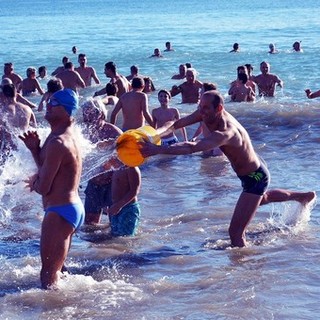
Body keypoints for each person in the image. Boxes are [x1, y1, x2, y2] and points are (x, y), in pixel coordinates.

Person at [140, 90, 316, 247]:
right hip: (256, 170)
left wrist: (158, 150)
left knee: (235, 233)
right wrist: (154, 134)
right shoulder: (206, 113)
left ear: (219, 108)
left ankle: (246, 274)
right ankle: (302, 197)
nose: (201, 111)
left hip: (255, 177)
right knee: (263, 198)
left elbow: (192, 147)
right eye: (200, 106)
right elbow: (176, 124)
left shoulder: (226, 132)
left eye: (206, 107)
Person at [19, 89, 85, 289]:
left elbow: (45, 187)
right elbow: (50, 170)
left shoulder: (58, 141)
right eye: (49, 100)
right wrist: (35, 150)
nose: (47, 105)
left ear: (66, 111)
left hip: (60, 211)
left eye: (54, 103)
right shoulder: (57, 136)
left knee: (48, 277)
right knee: (58, 271)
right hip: (68, 208)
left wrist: (35, 183)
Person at [81, 100, 123, 225]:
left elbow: (126, 160)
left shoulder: (114, 133)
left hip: (112, 184)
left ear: (100, 113)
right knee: (90, 227)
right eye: (84, 113)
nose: (86, 117)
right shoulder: (85, 133)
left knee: (115, 226)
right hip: (93, 183)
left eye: (89, 113)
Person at [104, 165, 141, 237]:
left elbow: (134, 191)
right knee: (114, 236)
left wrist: (118, 206)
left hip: (128, 208)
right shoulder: (116, 167)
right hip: (115, 206)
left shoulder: (131, 168)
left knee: (125, 238)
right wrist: (107, 204)